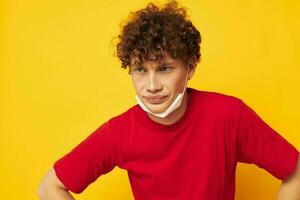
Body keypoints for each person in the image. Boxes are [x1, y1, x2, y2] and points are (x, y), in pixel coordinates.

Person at [37, 1, 300, 199]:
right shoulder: (119, 132)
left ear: (190, 68)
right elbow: (50, 187)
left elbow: (296, 170)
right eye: (140, 70)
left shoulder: (228, 115)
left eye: (164, 68)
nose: (151, 87)